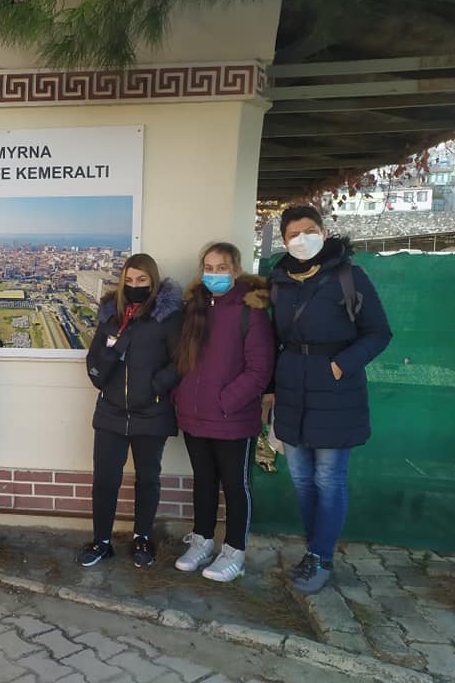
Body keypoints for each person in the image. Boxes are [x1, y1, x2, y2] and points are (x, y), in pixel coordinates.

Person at [266, 206, 391, 594]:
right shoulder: (279, 280)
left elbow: (379, 332)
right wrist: (270, 388)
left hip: (335, 390)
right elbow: (273, 337)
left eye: (310, 230)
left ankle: (320, 557)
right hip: (292, 389)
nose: (302, 239)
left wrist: (341, 365)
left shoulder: (348, 276)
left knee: (329, 479)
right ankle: (314, 551)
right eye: (293, 234)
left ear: (323, 232)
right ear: (284, 241)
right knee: (302, 478)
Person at [172, 243, 275, 582]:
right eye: (209, 267)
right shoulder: (194, 308)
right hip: (194, 415)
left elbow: (260, 369)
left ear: (236, 270)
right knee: (203, 481)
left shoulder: (250, 311)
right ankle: (201, 542)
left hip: (232, 418)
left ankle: (234, 552)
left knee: (234, 485)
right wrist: (181, 395)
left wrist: (225, 401)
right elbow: (181, 359)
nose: (214, 274)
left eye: (221, 268)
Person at [81, 254, 183, 568]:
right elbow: (94, 359)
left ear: (153, 281)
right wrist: (106, 367)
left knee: (148, 478)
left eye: (142, 280)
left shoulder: (167, 317)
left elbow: (180, 360)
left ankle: (142, 537)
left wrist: (154, 387)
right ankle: (101, 540)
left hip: (151, 412)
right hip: (111, 412)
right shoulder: (111, 315)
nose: (135, 285)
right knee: (105, 480)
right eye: (129, 280)